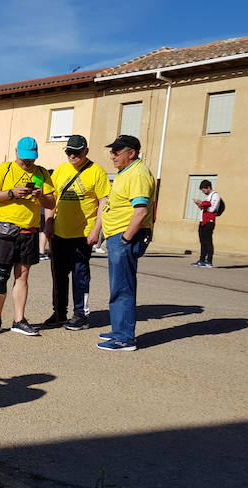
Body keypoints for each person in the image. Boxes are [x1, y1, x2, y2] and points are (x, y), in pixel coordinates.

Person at [0, 137, 56, 336]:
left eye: (31, 158)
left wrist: (40, 196)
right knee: (1, 274)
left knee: (22, 276)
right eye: (24, 158)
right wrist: (12, 193)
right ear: (16, 152)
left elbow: (51, 203)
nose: (28, 162)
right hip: (6, 230)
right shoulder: (4, 169)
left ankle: (19, 320)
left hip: (29, 232)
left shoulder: (41, 173)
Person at [43, 135, 110, 331]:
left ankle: (80, 314)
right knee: (59, 274)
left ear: (86, 151)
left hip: (83, 233)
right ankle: (60, 312)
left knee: (80, 274)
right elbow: (51, 199)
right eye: (68, 151)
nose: (72, 155)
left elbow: (104, 203)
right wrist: (48, 223)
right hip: (60, 232)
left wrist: (97, 230)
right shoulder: (61, 170)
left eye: (76, 152)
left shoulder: (96, 171)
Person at [97, 135, 155, 351]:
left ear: (131, 153)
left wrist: (125, 238)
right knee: (118, 286)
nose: (112, 155)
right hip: (117, 236)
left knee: (123, 287)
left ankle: (124, 338)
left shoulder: (138, 174)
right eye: (112, 151)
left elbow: (140, 211)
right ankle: (118, 329)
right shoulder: (126, 172)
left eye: (117, 152)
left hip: (125, 237)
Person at [191, 179, 219, 267]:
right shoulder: (208, 196)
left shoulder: (215, 195)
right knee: (202, 241)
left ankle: (209, 261)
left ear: (208, 188)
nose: (203, 192)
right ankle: (202, 259)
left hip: (209, 221)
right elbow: (203, 208)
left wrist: (201, 203)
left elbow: (212, 209)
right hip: (203, 221)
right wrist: (199, 204)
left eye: (203, 190)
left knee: (208, 241)